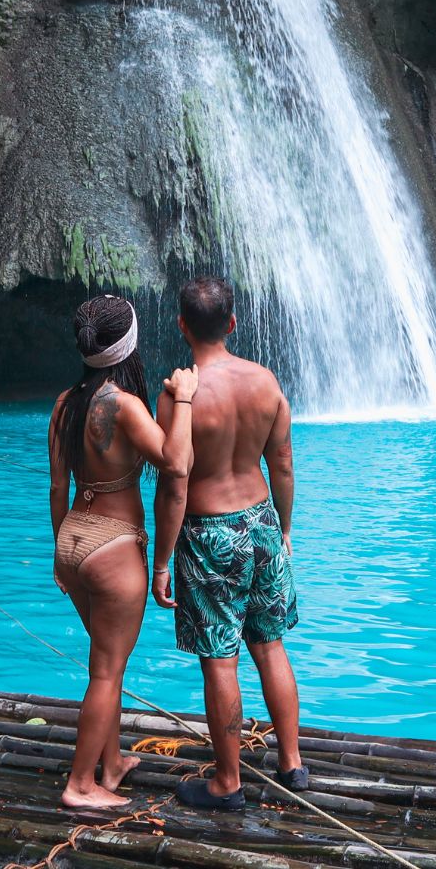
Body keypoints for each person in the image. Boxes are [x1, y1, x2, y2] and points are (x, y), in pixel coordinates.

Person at [150, 276, 306, 811]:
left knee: (221, 661)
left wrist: (163, 560)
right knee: (271, 645)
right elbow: (282, 464)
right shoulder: (266, 381)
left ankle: (227, 782)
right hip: (262, 520)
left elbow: (174, 483)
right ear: (234, 323)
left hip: (209, 532)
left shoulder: (178, 396)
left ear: (181, 326)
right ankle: (292, 762)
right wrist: (283, 528)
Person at [49, 294, 198, 810]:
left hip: (73, 539)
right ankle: (80, 785)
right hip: (113, 546)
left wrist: (57, 553)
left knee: (104, 662)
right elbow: (175, 463)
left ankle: (111, 765)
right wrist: (184, 399)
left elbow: (56, 487)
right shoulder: (125, 406)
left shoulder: (65, 403)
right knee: (107, 672)